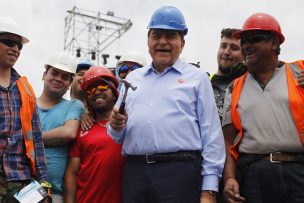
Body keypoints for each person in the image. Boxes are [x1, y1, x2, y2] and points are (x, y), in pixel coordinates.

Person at [108, 6, 225, 203]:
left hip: (180, 174)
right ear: (148, 41)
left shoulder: (197, 78)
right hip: (135, 174)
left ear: (182, 42)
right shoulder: (133, 78)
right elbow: (116, 135)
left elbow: (211, 134)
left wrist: (209, 189)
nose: (163, 42)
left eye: (171, 36)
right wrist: (116, 125)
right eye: (156, 35)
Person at [222, 13, 304, 203]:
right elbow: (227, 140)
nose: (245, 46)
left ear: (274, 43)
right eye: (243, 41)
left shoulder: (300, 71)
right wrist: (229, 178)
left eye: (253, 39)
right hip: (254, 173)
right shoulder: (235, 87)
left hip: (299, 171)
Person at [0, 17, 50, 202]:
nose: (15, 49)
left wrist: (44, 183)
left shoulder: (26, 89)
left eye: (19, 46)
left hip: (21, 182)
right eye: (9, 42)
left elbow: (36, 139)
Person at [64, 66, 125, 203]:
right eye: (91, 89)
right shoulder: (81, 128)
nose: (97, 91)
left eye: (103, 87)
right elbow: (71, 174)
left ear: (115, 92)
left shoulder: (130, 125)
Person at [37, 51, 84, 203]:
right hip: (21, 189)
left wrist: (30, 140)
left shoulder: (74, 106)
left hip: (54, 194)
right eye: (54, 73)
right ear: (44, 74)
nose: (58, 79)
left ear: (70, 83)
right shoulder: (25, 102)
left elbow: (68, 133)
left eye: (65, 77)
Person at [211, 28, 246, 122]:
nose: (226, 52)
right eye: (223, 46)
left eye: (234, 48)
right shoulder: (203, 83)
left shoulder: (249, 85)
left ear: (245, 54)